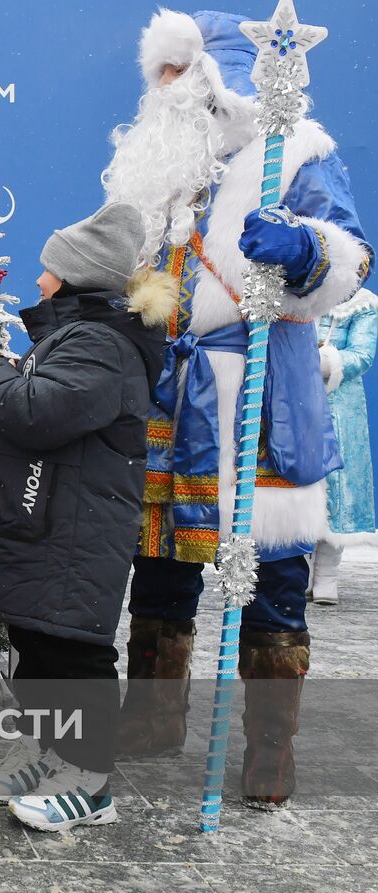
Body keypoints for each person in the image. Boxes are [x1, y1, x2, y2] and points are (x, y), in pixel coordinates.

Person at [106, 10, 371, 810]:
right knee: (157, 569)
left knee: (274, 576)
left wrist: (303, 250)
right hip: (170, 398)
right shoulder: (157, 172)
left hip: (259, 397)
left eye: (179, 79)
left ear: (218, 88)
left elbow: (352, 259)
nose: (166, 96)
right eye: (160, 81)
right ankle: (153, 717)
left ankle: (269, 752)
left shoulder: (298, 156)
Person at [0, 203, 172, 832]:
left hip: (78, 533)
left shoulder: (101, 343)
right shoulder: (77, 336)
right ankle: (48, 751)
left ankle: (89, 779)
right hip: (51, 523)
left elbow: (37, 411)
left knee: (74, 653)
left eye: (49, 270)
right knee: (38, 640)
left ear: (77, 278)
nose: (39, 280)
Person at [311, 287, 378, 603]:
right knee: (300, 485)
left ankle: (327, 575)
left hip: (341, 407)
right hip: (298, 402)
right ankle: (298, 569)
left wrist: (323, 359)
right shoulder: (305, 294)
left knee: (336, 489)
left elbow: (363, 354)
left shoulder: (364, 305)